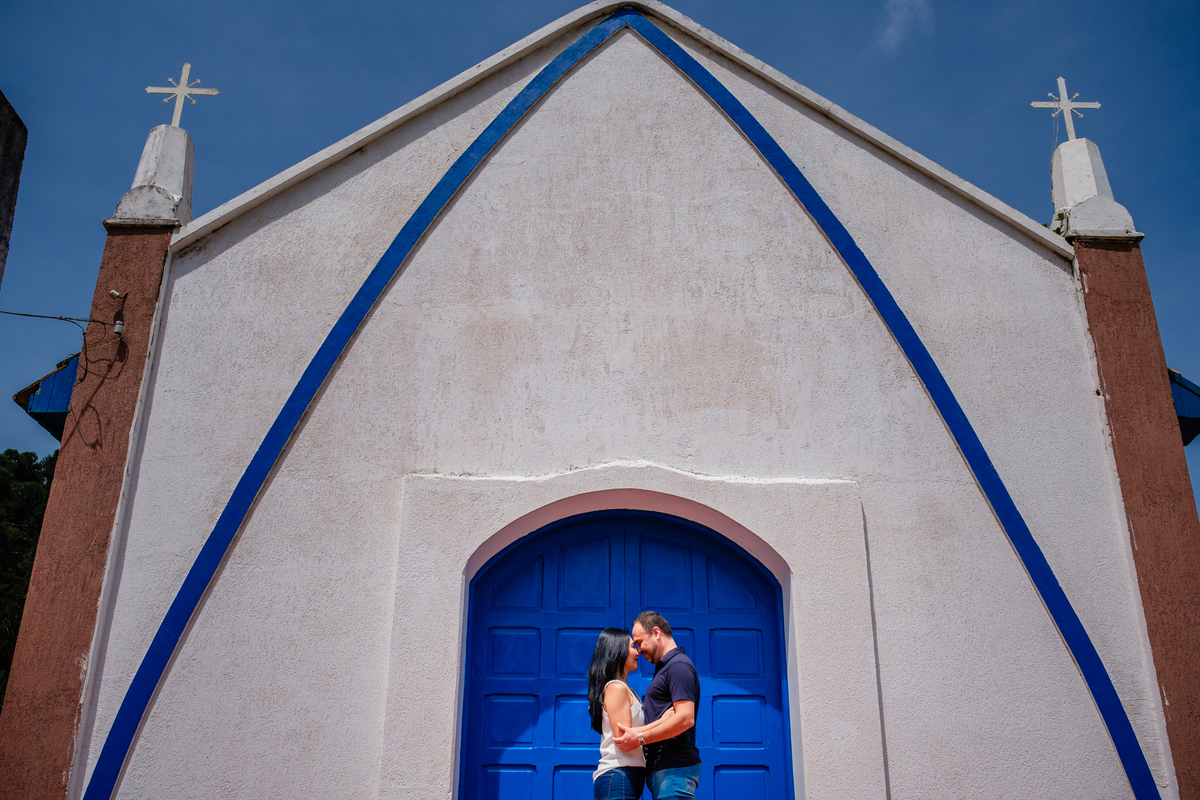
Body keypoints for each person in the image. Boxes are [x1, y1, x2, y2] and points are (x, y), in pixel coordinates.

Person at [614, 611, 701, 799]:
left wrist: (640, 737)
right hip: (668, 771)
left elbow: (685, 718)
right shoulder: (667, 667)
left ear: (656, 632)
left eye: (639, 642)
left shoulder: (678, 666)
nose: (638, 650)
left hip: (674, 769)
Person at [588, 628, 647, 799]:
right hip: (619, 776)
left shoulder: (624, 688)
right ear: (617, 651)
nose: (638, 652)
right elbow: (624, 738)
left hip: (624, 777)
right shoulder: (616, 688)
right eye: (632, 647)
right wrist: (664, 724)